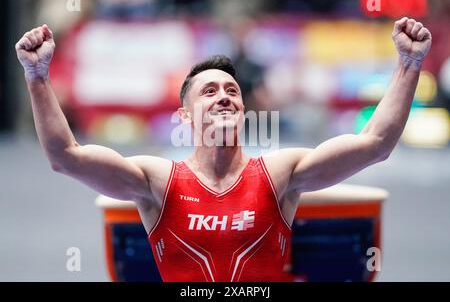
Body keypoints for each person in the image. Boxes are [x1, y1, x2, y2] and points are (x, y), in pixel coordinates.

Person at [15, 17, 431, 282]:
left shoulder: (280, 173)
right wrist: (37, 77)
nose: (224, 97)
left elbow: (375, 144)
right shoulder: (156, 181)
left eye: (232, 90)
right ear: (185, 116)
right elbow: (64, 156)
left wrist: (408, 65)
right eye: (209, 91)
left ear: (244, 110)